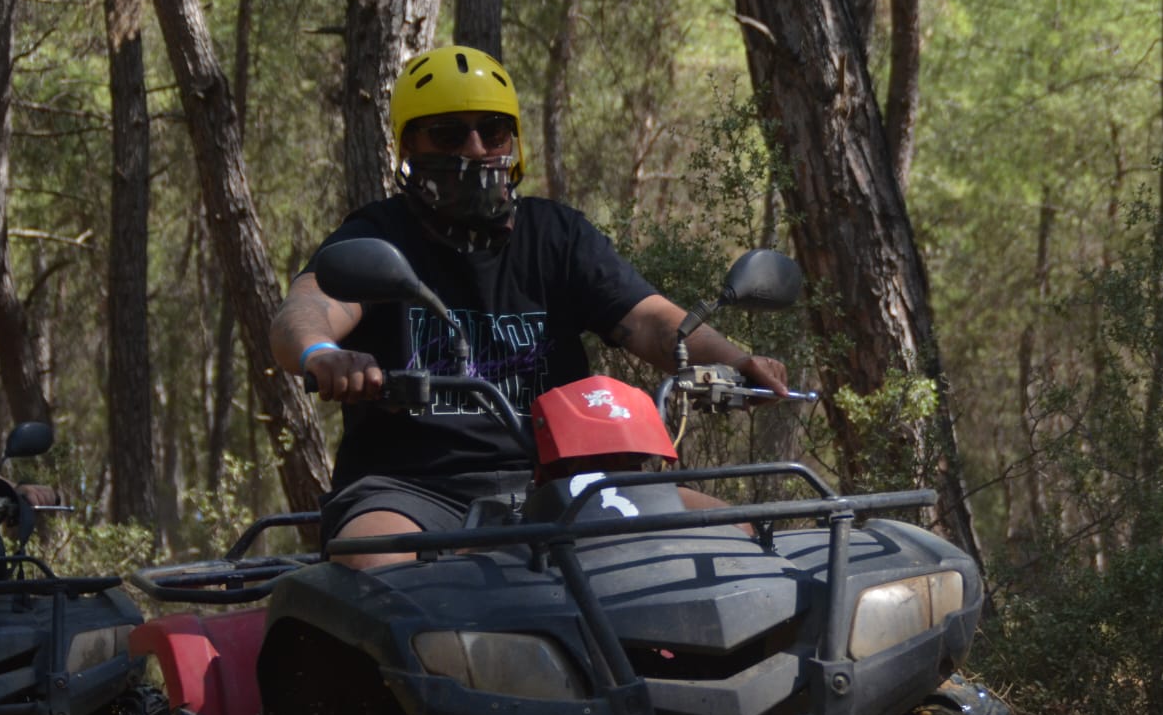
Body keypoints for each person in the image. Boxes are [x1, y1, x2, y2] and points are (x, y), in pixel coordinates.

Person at [269, 45, 788, 569]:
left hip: (563, 484)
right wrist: (320, 353)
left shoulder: (556, 236)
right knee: (381, 566)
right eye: (450, 134)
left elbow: (650, 321)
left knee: (735, 538)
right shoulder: (380, 236)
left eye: (492, 131)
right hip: (414, 491)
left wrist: (737, 363)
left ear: (513, 142)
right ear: (408, 146)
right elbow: (308, 305)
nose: (474, 149)